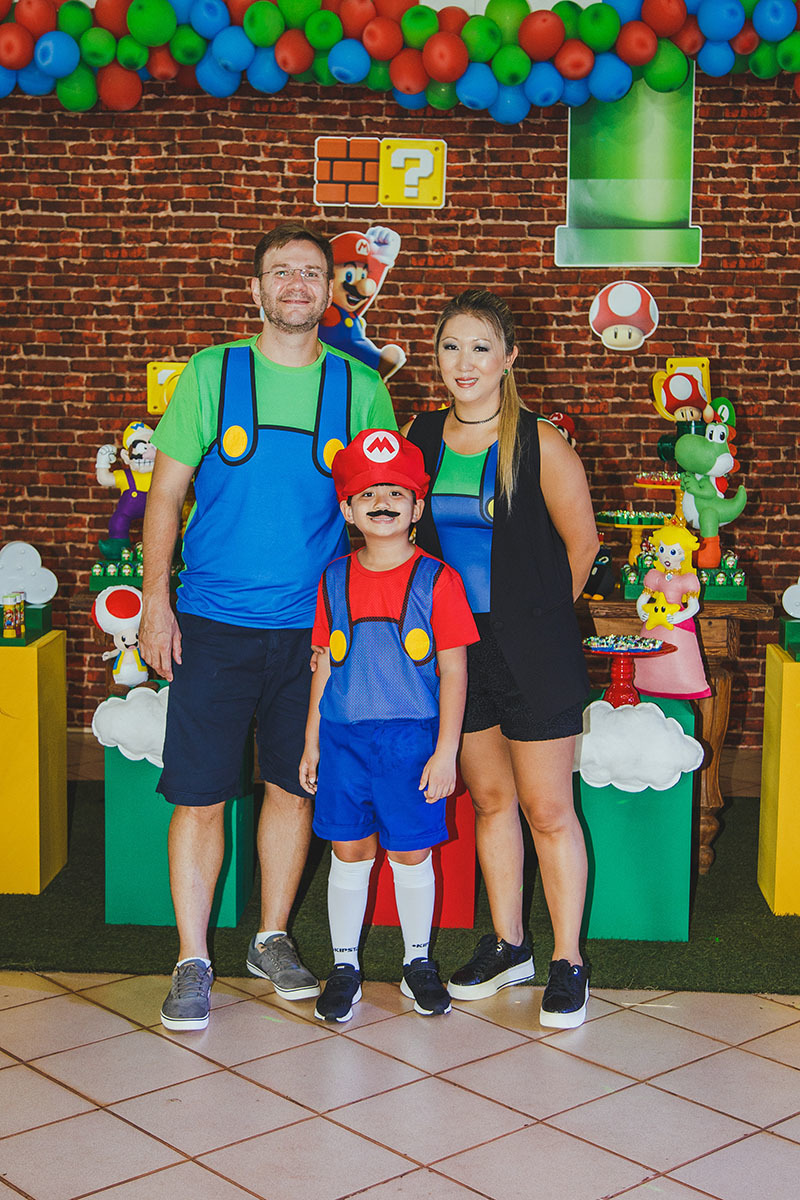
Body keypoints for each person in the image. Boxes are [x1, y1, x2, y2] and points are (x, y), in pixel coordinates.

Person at [139, 224, 397, 1032]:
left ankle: (271, 937)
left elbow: (385, 517)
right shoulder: (212, 373)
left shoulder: (360, 389)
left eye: (311, 273)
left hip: (313, 634)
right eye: (280, 272)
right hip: (211, 625)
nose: (296, 284)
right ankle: (192, 959)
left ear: (331, 291)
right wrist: (154, 601)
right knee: (200, 795)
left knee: (294, 785)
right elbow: (165, 496)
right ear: (255, 290)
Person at [404, 288, 599, 1029]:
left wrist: (537, 623)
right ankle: (510, 945)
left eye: (481, 347)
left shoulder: (540, 442)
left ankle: (568, 961)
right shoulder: (421, 434)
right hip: (457, 653)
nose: (465, 362)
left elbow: (582, 546)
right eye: (451, 346)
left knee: (548, 811)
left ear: (509, 358)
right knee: (490, 802)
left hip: (534, 654)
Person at [299, 429, 478, 1022]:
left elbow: (455, 671)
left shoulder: (438, 580)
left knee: (410, 853)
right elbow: (324, 664)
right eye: (367, 494)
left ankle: (417, 962)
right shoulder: (333, 578)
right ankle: (344, 966)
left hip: (411, 742)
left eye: (396, 493)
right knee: (348, 851)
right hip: (343, 741)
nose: (382, 502)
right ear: (348, 510)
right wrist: (311, 741)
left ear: (417, 508)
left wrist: (446, 752)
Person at [634, 523, 711, 700]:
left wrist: (680, 615)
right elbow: (643, 598)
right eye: (662, 550)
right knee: (650, 655)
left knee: (679, 655)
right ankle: (646, 683)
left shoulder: (687, 579)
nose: (667, 556)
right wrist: (640, 610)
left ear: (684, 554)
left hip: (676, 624)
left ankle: (683, 686)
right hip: (654, 622)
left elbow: (694, 606)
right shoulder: (655, 576)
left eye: (673, 552)